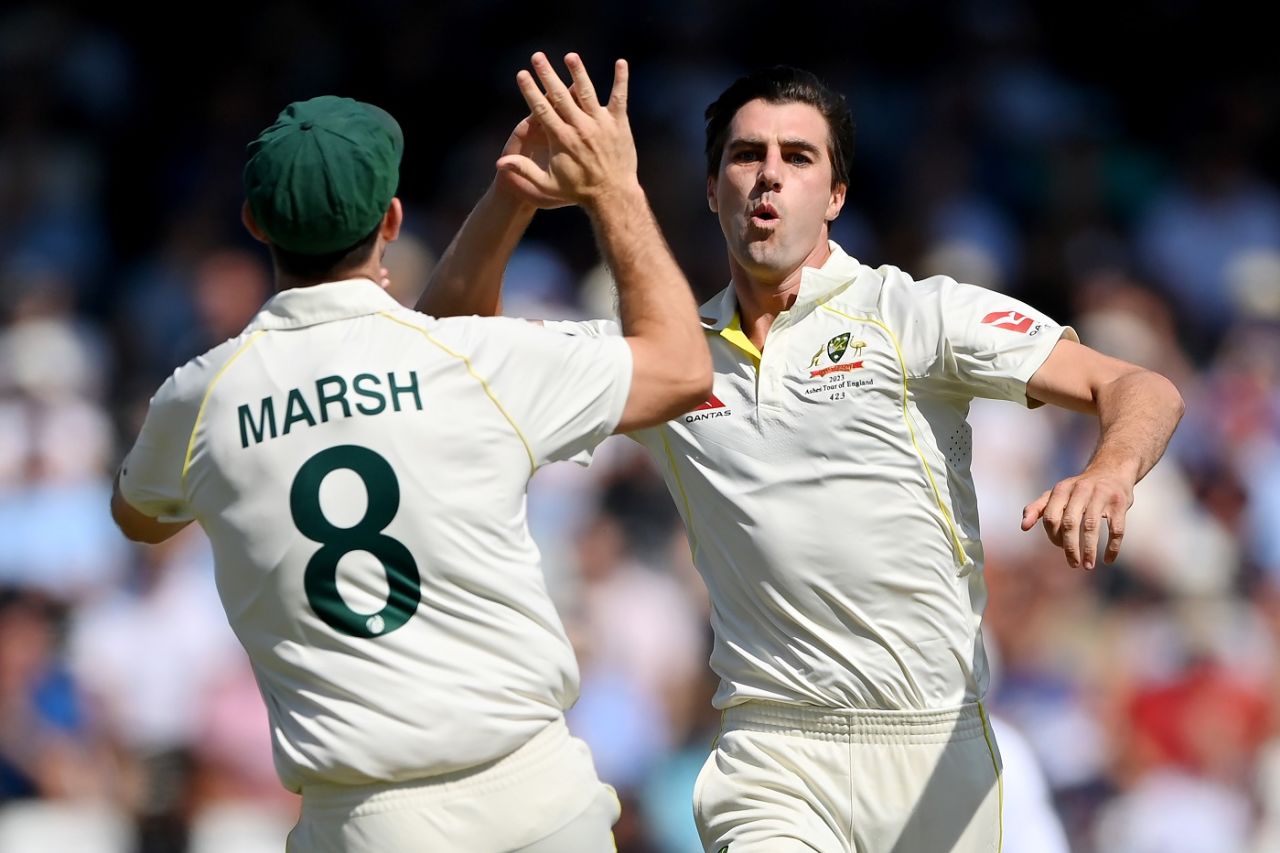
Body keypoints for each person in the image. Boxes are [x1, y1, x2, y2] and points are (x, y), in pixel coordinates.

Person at [421, 63, 1185, 852]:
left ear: (837, 195)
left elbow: (1140, 386)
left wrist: (1108, 471)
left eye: (798, 157)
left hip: (933, 737)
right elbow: (442, 356)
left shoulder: (914, 314)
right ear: (713, 188)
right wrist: (512, 193)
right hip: (771, 752)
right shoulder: (666, 359)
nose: (769, 177)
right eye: (747, 155)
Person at [110, 54, 712, 853]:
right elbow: (678, 368)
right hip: (538, 803)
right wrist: (614, 188)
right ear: (392, 220)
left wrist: (507, 201)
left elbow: (139, 519)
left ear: (255, 223)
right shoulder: (471, 367)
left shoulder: (199, 398)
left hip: (367, 820)